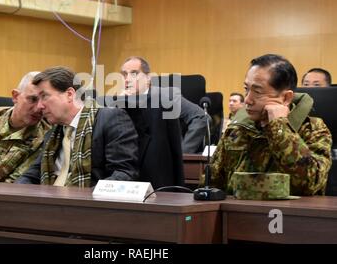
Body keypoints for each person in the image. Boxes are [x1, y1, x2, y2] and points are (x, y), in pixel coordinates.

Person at [211, 54, 332, 196]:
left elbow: (309, 184)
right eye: (246, 89)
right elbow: (212, 185)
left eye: (257, 91)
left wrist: (279, 126)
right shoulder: (237, 129)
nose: (248, 100)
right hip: (237, 214)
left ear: (286, 98)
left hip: (291, 215)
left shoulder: (313, 129)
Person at [16, 66, 139, 187]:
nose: (39, 106)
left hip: (86, 203)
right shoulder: (53, 133)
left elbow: (124, 174)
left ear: (69, 94)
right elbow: (31, 176)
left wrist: (87, 198)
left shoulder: (110, 119)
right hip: (50, 202)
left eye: (44, 96)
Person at [120, 56, 208, 154]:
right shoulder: (121, 102)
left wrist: (183, 154)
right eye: (124, 74)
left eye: (134, 73)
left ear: (148, 78)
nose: (127, 79)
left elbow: (201, 117)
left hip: (163, 160)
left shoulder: (167, 96)